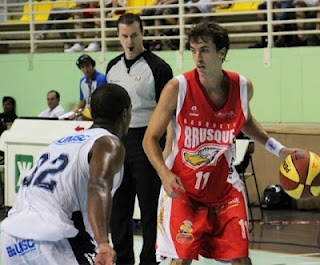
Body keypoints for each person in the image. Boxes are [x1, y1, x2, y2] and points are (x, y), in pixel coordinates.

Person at [142, 20, 297, 264]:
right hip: (184, 188)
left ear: (222, 53)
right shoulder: (177, 88)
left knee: (240, 258)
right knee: (182, 260)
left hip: (224, 187)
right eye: (193, 50)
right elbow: (149, 139)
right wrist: (164, 173)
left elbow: (244, 120)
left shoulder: (243, 86)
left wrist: (278, 149)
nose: (198, 57)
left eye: (204, 49)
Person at [0, 83, 132, 265]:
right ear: (125, 114)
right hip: (53, 240)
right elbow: (98, 185)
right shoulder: (109, 143)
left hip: (11, 237)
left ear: (91, 111)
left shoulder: (60, 142)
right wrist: (103, 242)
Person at [105, 13, 173, 265]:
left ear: (142, 34)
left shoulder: (159, 68)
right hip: (119, 142)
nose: (130, 41)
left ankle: (149, 259)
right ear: (118, 37)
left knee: (148, 207)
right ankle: (122, 259)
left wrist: (168, 146)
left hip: (148, 141)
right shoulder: (112, 67)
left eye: (134, 35)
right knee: (119, 207)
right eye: (124, 36)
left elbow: (172, 113)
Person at [69, 54, 106, 120]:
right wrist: (71, 113)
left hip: (101, 113)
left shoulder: (100, 79)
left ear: (92, 65)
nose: (85, 70)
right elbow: (82, 102)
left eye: (87, 66)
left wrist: (79, 113)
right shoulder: (82, 81)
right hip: (89, 113)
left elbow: (101, 102)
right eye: (83, 67)